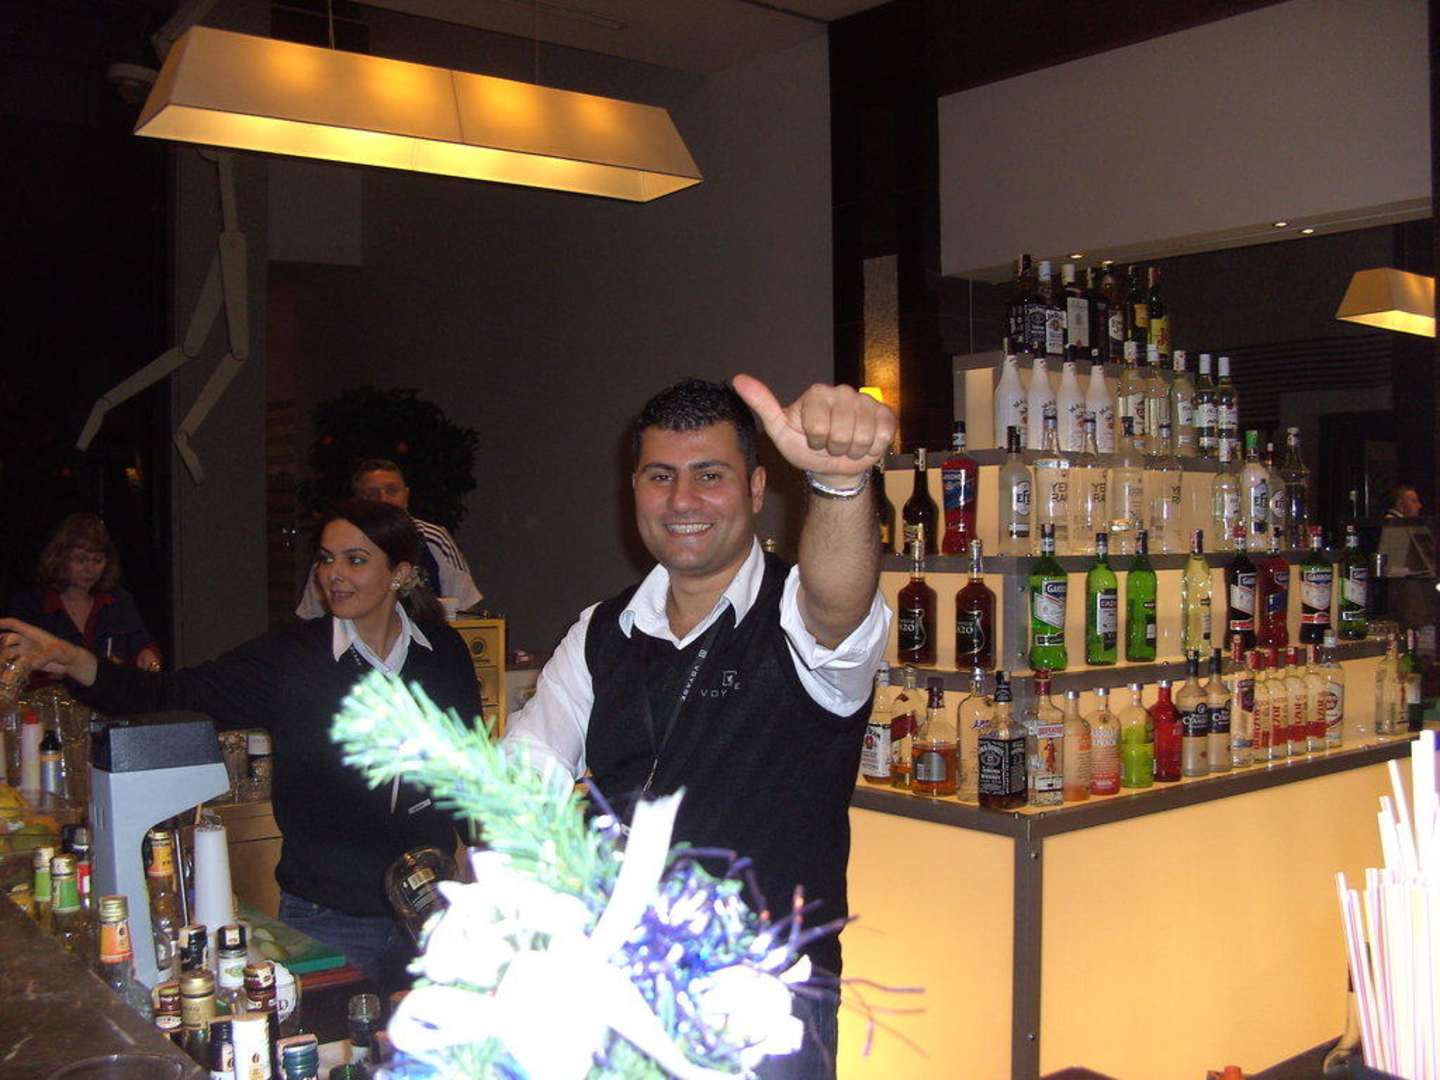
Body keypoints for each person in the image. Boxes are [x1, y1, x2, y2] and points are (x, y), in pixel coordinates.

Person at [503, 375, 895, 1078]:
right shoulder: (602, 631)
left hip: (765, 1010)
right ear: (635, 490)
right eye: (661, 476)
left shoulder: (796, 620)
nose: (682, 500)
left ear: (755, 489)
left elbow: (838, 609)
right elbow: (525, 772)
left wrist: (839, 485)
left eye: (709, 475)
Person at [1, 500, 481, 988]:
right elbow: (173, 692)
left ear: (400, 572)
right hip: (328, 916)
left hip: (430, 909)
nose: (332, 574)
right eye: (325, 558)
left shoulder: (442, 653)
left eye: (355, 560)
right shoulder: (293, 658)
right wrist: (75, 661)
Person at [296, 458, 482, 618]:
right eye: (371, 494)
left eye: (392, 491)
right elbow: (311, 615)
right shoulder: (336, 544)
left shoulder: (434, 539)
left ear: (406, 496)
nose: (383, 500)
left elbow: (467, 606)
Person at [6, 512, 161, 675]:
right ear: (61, 558)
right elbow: (14, 661)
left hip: (108, 690)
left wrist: (148, 655)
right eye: (81, 560)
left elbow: (142, 643)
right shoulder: (32, 605)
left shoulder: (118, 602)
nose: (90, 569)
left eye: (98, 560)